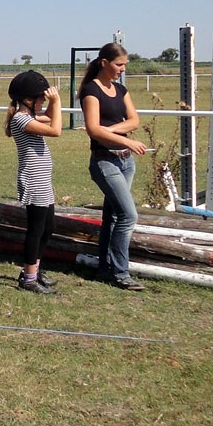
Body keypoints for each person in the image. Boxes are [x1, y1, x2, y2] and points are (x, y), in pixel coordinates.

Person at [79, 42, 147, 290]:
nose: (122, 69)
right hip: (104, 161)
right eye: (119, 64)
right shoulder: (90, 91)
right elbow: (92, 130)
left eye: (125, 65)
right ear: (104, 63)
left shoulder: (120, 89)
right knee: (129, 215)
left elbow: (134, 120)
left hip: (125, 162)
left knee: (114, 216)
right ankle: (121, 273)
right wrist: (124, 140)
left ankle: (105, 269)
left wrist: (111, 131)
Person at [4, 70, 62, 294]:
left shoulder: (30, 116)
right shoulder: (20, 119)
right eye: (41, 98)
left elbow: (50, 115)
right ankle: (29, 278)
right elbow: (56, 130)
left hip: (43, 181)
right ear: (28, 99)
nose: (44, 102)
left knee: (48, 228)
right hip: (33, 181)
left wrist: (53, 104)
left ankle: (35, 271)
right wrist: (56, 101)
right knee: (36, 230)